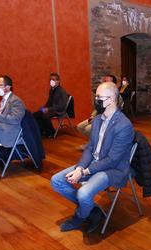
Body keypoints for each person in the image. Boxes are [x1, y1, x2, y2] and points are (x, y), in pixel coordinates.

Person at [50, 82, 134, 233]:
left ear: (111, 99)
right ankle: (92, 210)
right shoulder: (97, 120)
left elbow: (112, 160)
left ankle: (80, 215)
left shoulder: (124, 125)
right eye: (96, 97)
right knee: (56, 181)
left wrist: (83, 172)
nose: (96, 100)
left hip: (113, 169)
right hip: (94, 164)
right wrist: (81, 167)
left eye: (99, 97)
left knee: (83, 193)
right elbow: (90, 147)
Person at [33, 73, 68, 138]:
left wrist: (48, 109)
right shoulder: (51, 90)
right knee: (36, 115)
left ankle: (51, 132)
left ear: (58, 81)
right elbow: (49, 102)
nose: (51, 81)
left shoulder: (62, 91)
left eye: (53, 79)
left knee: (45, 115)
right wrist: (43, 108)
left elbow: (61, 106)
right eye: (50, 79)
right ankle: (42, 131)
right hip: (51, 109)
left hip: (58, 111)